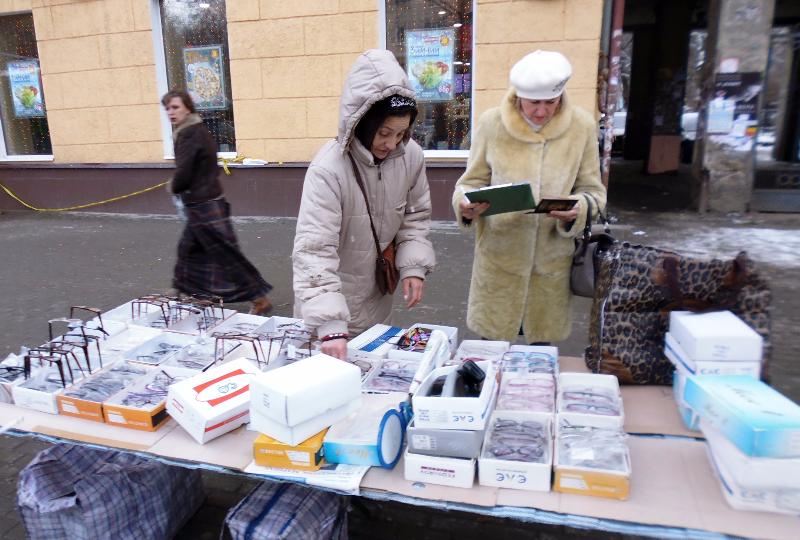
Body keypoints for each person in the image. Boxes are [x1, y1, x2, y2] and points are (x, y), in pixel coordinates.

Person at [452, 50, 607, 344]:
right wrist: (465, 205)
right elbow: (469, 183)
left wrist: (580, 208)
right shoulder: (491, 124)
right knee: (491, 354)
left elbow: (594, 192)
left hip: (551, 267)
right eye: (533, 102)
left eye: (551, 102)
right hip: (499, 262)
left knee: (539, 359)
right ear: (517, 96)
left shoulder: (582, 127)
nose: (541, 111)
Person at [292, 49, 436, 360]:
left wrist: (413, 266)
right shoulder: (328, 169)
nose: (391, 143)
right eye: (384, 133)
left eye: (400, 133)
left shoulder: (410, 156)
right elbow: (314, 250)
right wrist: (329, 322)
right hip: (330, 307)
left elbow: (415, 217)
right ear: (362, 122)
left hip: (377, 297)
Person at [161, 90, 273, 315]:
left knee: (225, 254)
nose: (170, 112)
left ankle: (259, 299)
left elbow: (185, 170)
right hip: (204, 201)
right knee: (188, 250)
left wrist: (174, 186)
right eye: (167, 108)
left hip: (204, 204)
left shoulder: (190, 133)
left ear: (187, 107)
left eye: (175, 107)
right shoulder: (195, 130)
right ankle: (184, 290)